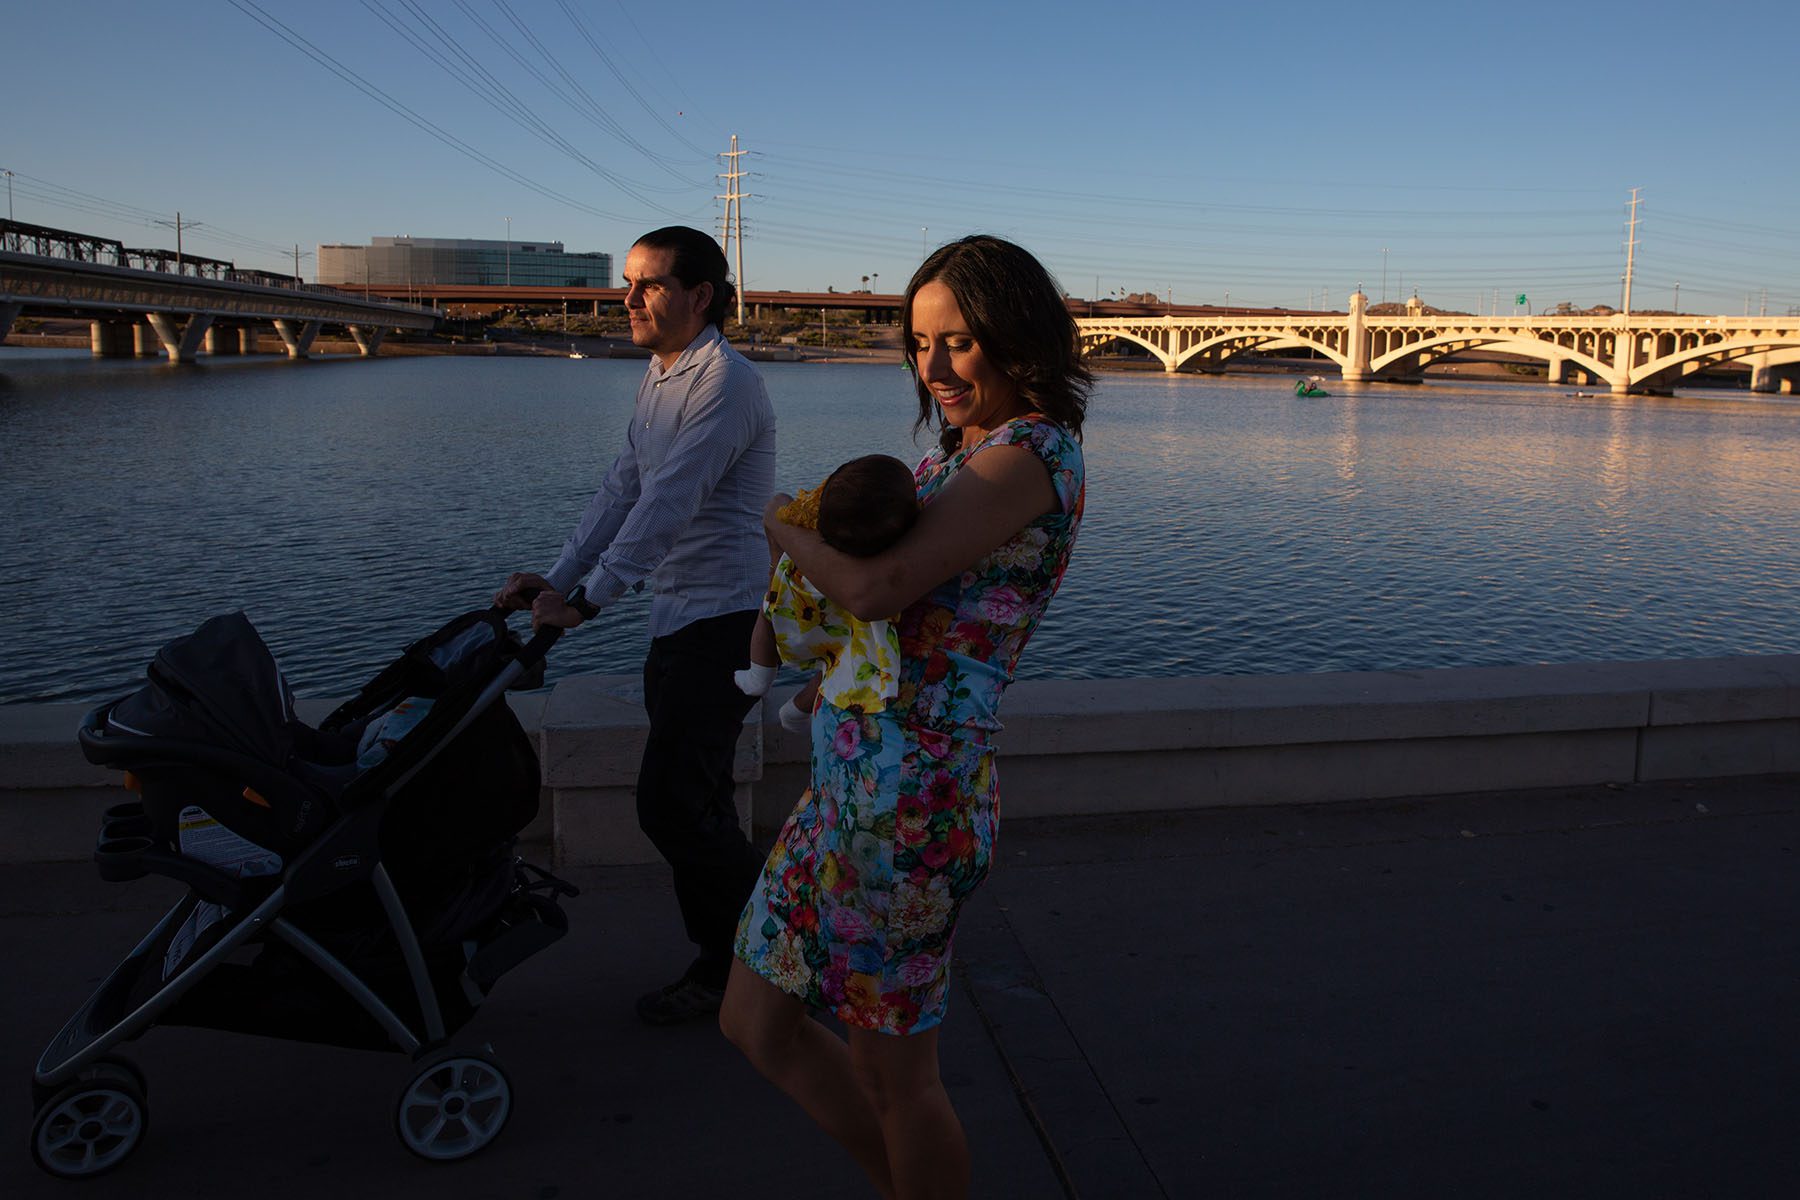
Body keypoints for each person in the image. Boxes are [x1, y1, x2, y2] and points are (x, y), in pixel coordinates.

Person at [720, 235, 1091, 1197]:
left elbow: (882, 587)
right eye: (920, 344)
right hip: (849, 786)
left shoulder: (1032, 455)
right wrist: (827, 676)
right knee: (753, 1021)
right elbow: (897, 625)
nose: (934, 368)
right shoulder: (953, 459)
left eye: (960, 343)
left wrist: (783, 527)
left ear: (1018, 337)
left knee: (897, 1077)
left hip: (913, 805)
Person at [494, 225, 774, 1025]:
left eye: (649, 284)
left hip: (726, 622)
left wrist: (588, 601)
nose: (629, 298)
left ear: (701, 296)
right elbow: (619, 490)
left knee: (672, 806)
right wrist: (559, 575)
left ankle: (779, 949)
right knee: (699, 802)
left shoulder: (726, 383)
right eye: (629, 282)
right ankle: (744, 962)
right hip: (679, 619)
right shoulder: (661, 376)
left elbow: (669, 501)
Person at [733, 454, 920, 733]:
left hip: (805, 599)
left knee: (768, 611)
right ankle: (799, 706)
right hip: (852, 623)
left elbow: (783, 513)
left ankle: (759, 675)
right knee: (846, 655)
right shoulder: (888, 550)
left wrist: (780, 525)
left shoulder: (813, 543)